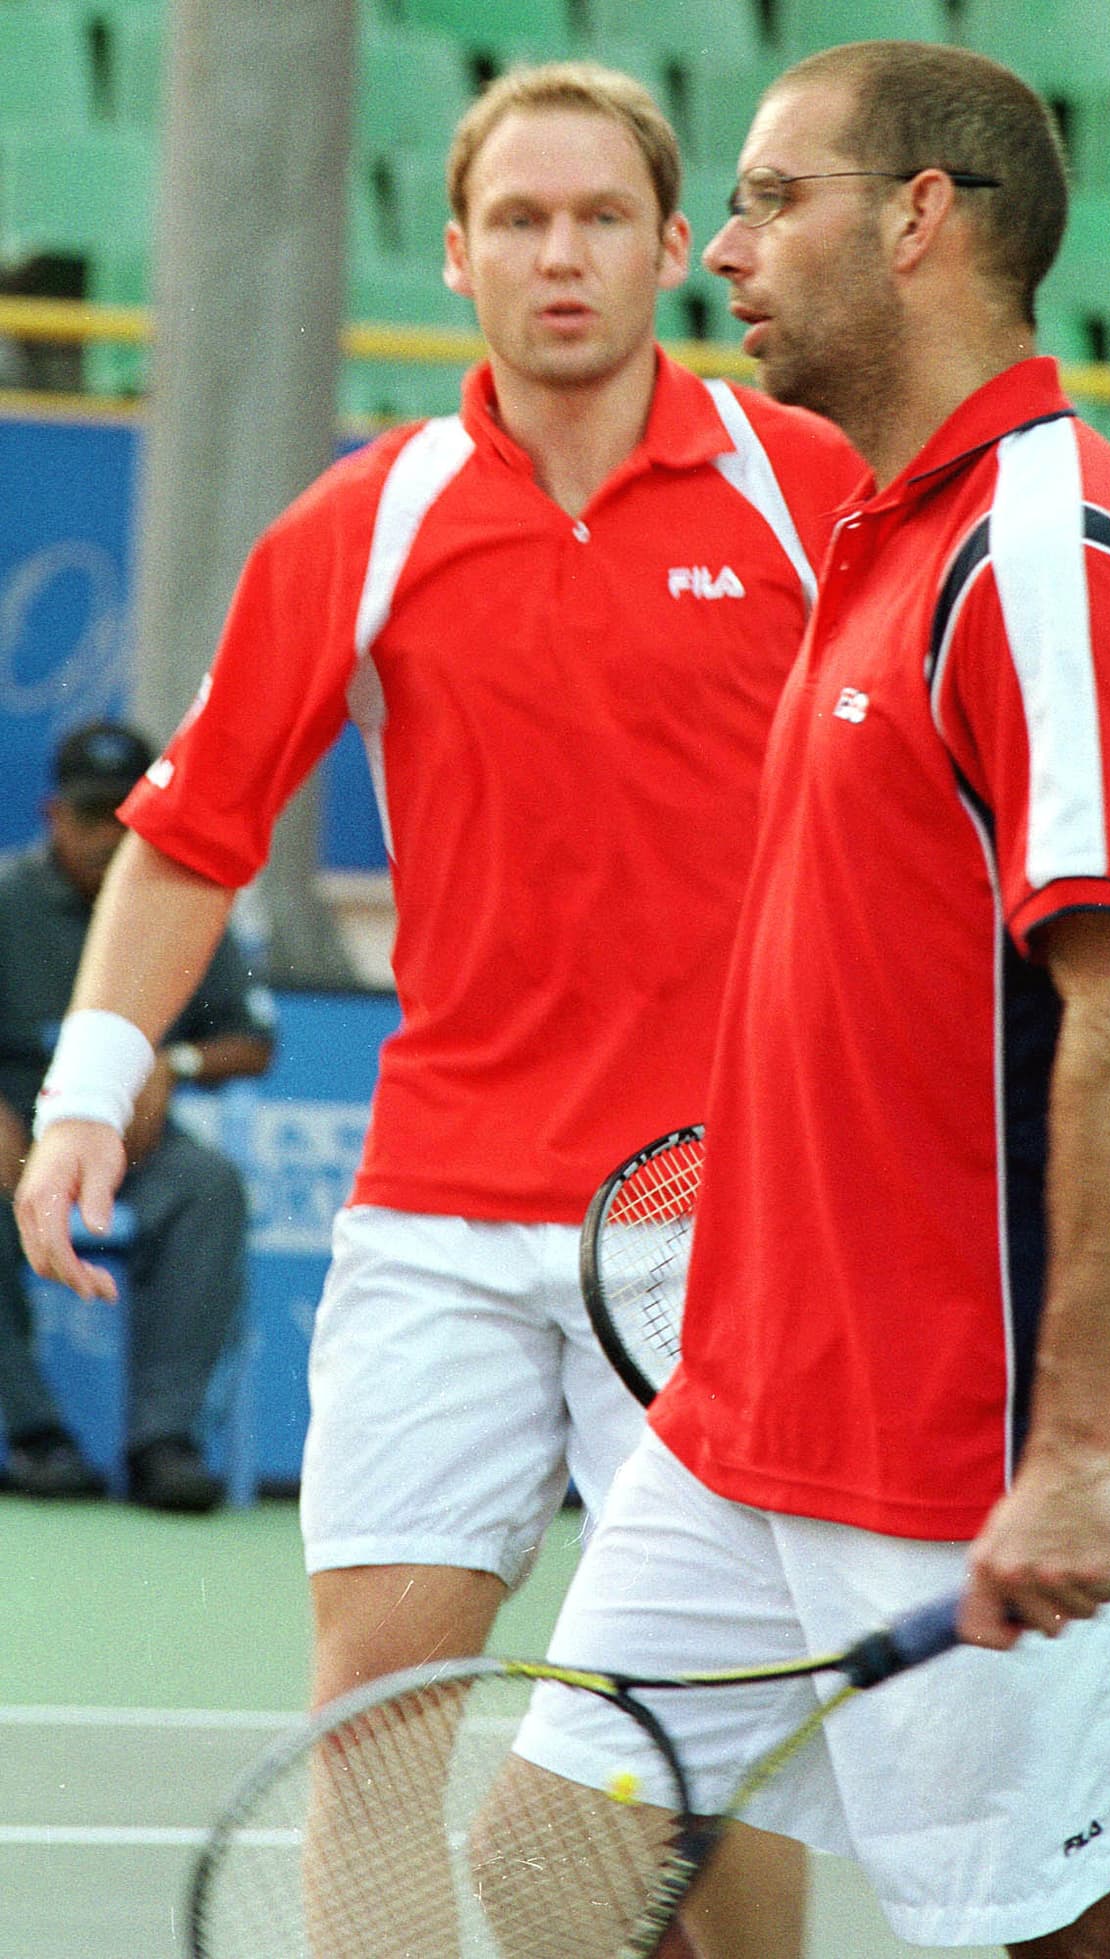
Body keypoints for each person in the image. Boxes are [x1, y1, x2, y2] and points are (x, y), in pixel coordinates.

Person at [13, 60, 857, 1936]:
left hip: (726, 1219)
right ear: (458, 255)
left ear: (669, 249)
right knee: (377, 1717)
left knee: (691, 1750)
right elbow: (190, 830)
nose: (564, 257)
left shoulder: (810, 494)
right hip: (441, 1214)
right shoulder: (367, 518)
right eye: (523, 222)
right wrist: (88, 1087)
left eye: (603, 219)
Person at [504, 40, 1110, 1959]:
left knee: (1073, 1935)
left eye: (774, 201)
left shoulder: (1042, 555)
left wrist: (1081, 1445)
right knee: (556, 1853)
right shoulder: (881, 532)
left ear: (923, 217)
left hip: (975, 1420)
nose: (725, 252)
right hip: (759, 1401)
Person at [0, 721, 275, 1510]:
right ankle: (35, 1435)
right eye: (90, 817)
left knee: (209, 1186)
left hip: (138, 1136)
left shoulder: (178, 896)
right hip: (16, 1127)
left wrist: (172, 1061)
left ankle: (165, 1441)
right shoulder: (8, 897)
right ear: (54, 815)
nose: (108, 837)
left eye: (126, 817)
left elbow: (252, 1040)